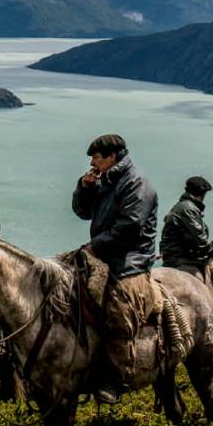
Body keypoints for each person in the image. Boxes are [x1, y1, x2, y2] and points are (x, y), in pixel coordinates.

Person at [71, 133, 158, 403]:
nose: (92, 163)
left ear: (112, 157)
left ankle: (118, 377)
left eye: (96, 158)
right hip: (103, 252)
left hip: (131, 259)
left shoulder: (137, 183)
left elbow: (130, 227)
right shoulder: (105, 180)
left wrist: (95, 245)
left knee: (117, 311)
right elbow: (83, 212)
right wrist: (84, 188)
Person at [160, 176, 213, 336]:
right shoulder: (188, 209)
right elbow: (201, 244)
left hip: (177, 258)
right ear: (202, 194)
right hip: (184, 261)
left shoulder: (182, 207)